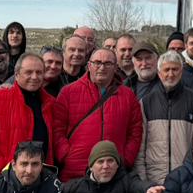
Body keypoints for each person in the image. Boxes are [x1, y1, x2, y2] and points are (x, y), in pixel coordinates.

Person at [0, 53, 61, 191]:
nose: (35, 77)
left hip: (39, 181)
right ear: (17, 74)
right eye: (29, 72)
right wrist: (9, 171)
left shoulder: (50, 104)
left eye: (39, 72)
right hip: (2, 183)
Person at [50, 50, 144, 180]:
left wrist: (125, 158)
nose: (102, 67)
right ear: (89, 65)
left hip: (113, 173)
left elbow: (135, 131)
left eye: (108, 63)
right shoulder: (68, 93)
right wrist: (67, 155)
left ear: (115, 67)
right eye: (97, 63)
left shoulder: (128, 96)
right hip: (76, 173)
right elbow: (56, 130)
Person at [136, 50, 193, 187]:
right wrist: (143, 180)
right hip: (154, 179)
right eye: (167, 70)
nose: (171, 74)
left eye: (175, 69)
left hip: (186, 177)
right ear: (159, 73)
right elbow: (140, 145)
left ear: (181, 72)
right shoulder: (146, 102)